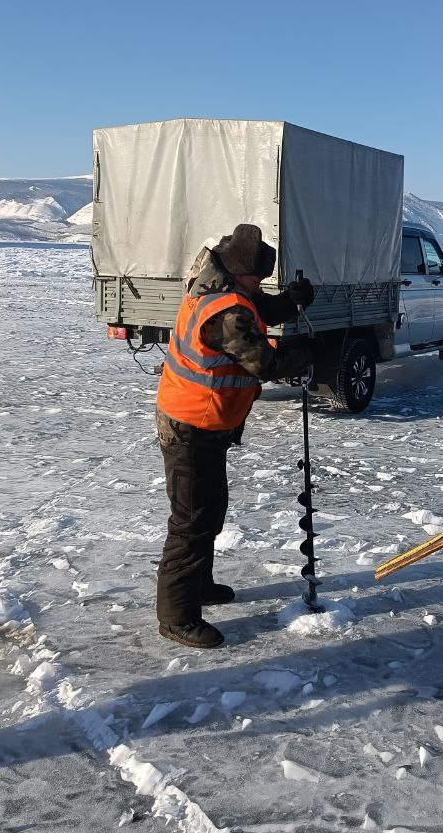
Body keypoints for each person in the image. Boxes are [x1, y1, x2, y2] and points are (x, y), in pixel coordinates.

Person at [154, 224, 314, 648]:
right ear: (241, 271)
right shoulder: (226, 310)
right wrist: (308, 356)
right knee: (191, 522)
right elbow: (261, 360)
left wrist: (291, 304)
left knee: (210, 510)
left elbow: (259, 310)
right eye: (258, 276)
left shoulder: (224, 289)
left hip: (206, 423)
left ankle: (199, 586)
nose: (260, 283)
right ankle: (177, 618)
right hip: (191, 425)